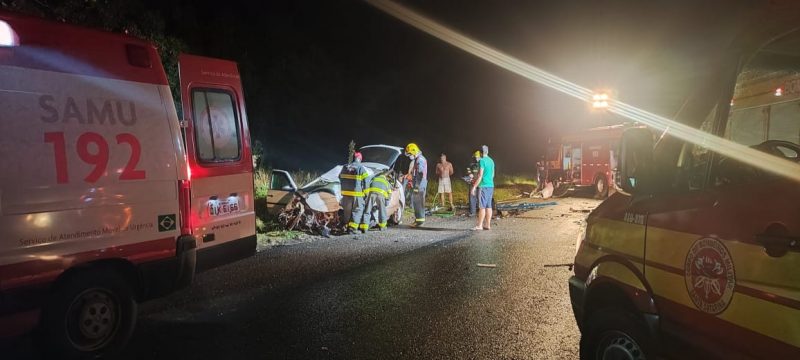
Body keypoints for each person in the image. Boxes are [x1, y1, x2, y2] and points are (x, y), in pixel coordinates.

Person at [340, 152, 368, 234]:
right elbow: (366, 181)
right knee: (358, 210)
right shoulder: (361, 168)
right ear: (360, 159)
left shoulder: (345, 167)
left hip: (345, 194)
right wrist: (366, 193)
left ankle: (346, 226)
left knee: (347, 211)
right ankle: (352, 228)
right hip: (356, 194)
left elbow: (339, 177)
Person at [471, 145, 495, 231]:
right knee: (489, 206)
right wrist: (488, 180)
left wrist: (474, 187)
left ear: (481, 153)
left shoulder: (482, 161)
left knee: (482, 207)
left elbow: (480, 175)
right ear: (487, 152)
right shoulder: (491, 161)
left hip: (483, 187)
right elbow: (493, 175)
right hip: (490, 186)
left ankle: (480, 225)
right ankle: (488, 225)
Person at [405, 143, 428, 227]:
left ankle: (419, 222)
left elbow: (420, 174)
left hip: (420, 183)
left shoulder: (420, 159)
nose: (409, 156)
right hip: (419, 182)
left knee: (418, 203)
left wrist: (417, 186)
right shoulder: (418, 159)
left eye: (410, 154)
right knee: (417, 203)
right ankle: (419, 221)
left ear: (414, 152)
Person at [465, 150, 481, 216]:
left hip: (480, 183)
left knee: (480, 197)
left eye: (478, 157)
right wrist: (469, 173)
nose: (477, 158)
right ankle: (473, 212)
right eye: (476, 157)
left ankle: (481, 212)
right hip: (472, 182)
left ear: (480, 157)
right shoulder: (472, 163)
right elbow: (468, 168)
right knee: (472, 196)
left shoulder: (482, 163)